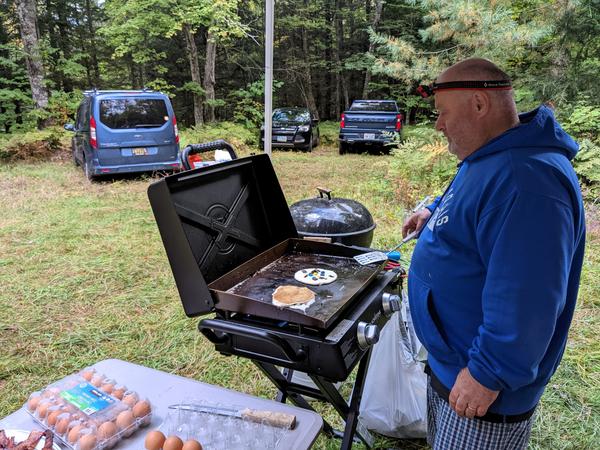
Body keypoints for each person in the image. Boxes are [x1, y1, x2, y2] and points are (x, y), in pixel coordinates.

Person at [403, 58, 586, 449]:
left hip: (485, 389)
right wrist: (434, 212)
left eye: (442, 114)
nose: (438, 125)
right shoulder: (493, 155)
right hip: (454, 363)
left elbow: (528, 299)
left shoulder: (528, 183)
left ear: (479, 105)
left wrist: (488, 373)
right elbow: (475, 201)